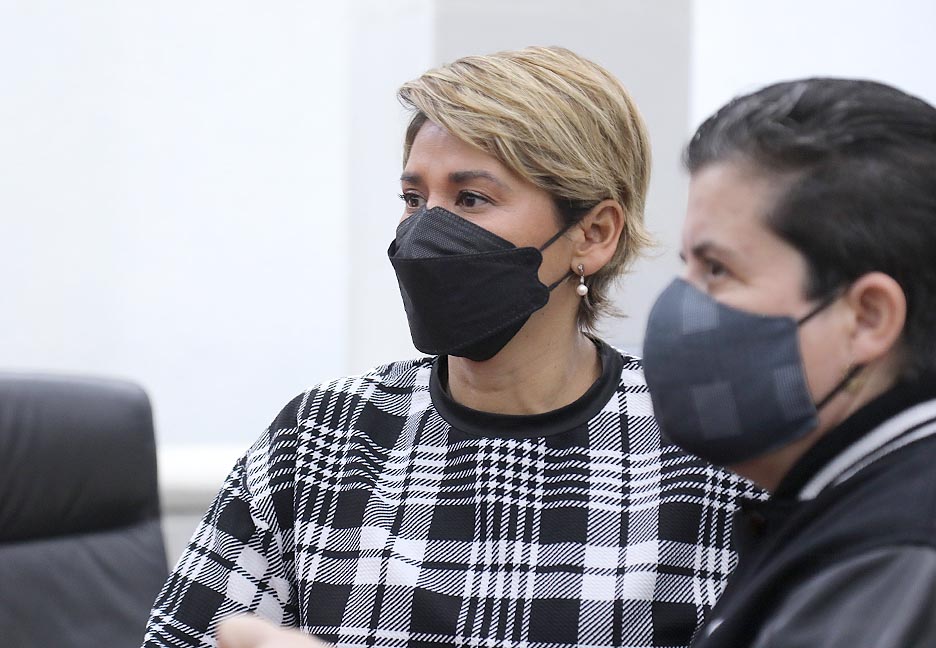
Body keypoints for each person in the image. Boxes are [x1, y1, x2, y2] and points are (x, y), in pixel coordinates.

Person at [143, 46, 756, 648]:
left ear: (593, 234)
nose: (424, 233)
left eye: (471, 199)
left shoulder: (705, 454)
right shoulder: (324, 437)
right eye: (414, 199)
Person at [641, 77, 936, 647]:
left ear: (867, 318)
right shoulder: (839, 507)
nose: (678, 307)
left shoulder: (892, 553)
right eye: (687, 267)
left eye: (717, 269)